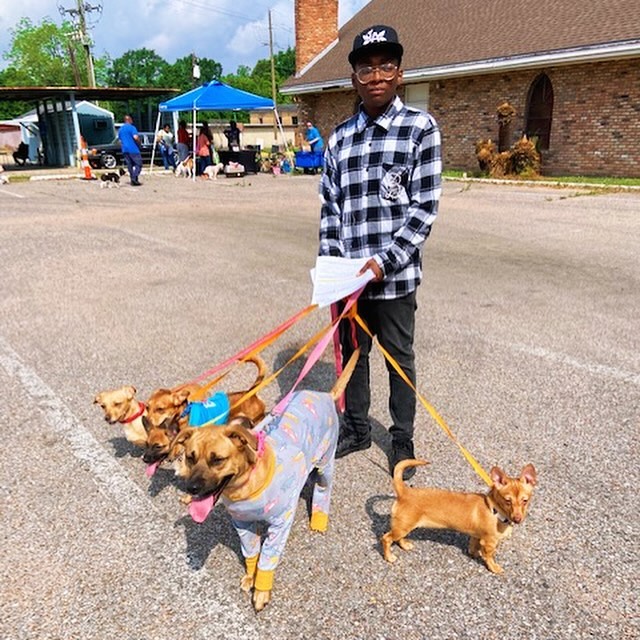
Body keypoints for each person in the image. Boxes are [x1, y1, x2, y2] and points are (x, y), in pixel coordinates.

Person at [318, 25, 442, 480]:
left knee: (398, 357)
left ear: (399, 73)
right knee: (353, 355)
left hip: (394, 278)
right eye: (365, 67)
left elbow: (424, 210)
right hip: (349, 280)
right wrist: (333, 268)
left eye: (385, 65)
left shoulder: (419, 129)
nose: (375, 75)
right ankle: (355, 427)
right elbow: (331, 210)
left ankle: (402, 436)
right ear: (353, 76)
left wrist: (382, 262)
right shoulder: (339, 139)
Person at [118, 115, 143, 186]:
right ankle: (134, 178)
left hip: (125, 150)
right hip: (133, 149)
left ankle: (133, 179)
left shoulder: (120, 129)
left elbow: (119, 141)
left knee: (130, 165)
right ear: (129, 120)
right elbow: (135, 137)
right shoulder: (132, 128)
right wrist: (139, 143)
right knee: (139, 164)